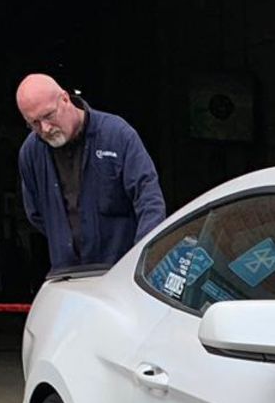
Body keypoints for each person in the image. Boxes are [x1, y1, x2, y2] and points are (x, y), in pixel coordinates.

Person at [15, 73, 166, 272]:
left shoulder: (117, 135)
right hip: (66, 275)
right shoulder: (30, 153)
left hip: (120, 273)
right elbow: (35, 213)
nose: (45, 128)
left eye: (49, 116)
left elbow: (150, 201)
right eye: (34, 123)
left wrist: (141, 261)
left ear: (65, 99)